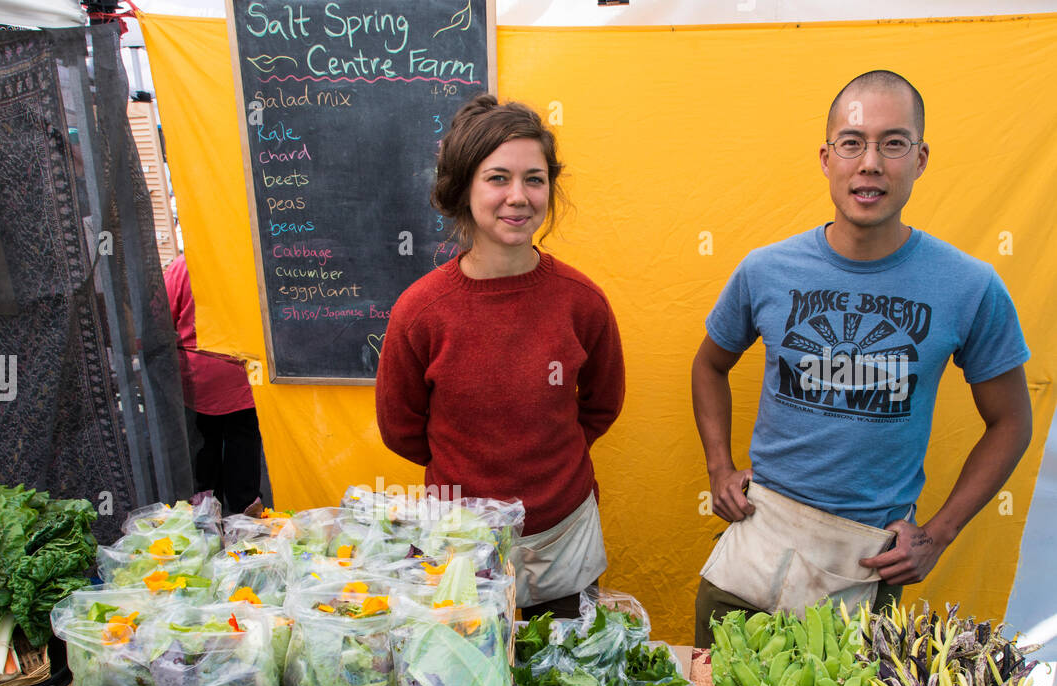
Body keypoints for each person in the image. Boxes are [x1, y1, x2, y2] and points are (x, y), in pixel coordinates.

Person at [690, 70, 1032, 647]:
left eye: (892, 143)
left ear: (920, 158)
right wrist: (719, 468)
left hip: (865, 566)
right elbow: (709, 365)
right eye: (852, 143)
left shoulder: (970, 286)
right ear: (826, 158)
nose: (870, 162)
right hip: (752, 553)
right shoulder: (766, 270)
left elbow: (1012, 422)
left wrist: (939, 534)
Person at [375, 95, 625, 618]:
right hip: (460, 547)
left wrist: (545, 467)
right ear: (463, 187)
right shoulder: (421, 312)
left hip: (564, 540)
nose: (519, 196)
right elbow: (400, 428)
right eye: (498, 178)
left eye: (534, 179)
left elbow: (602, 405)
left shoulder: (582, 302)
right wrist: (477, 471)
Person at [164, 254, 263, 515]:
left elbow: (159, 322)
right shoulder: (243, 259)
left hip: (197, 385)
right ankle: (247, 522)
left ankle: (207, 523)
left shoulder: (182, 267)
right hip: (245, 379)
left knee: (202, 463)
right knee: (244, 459)